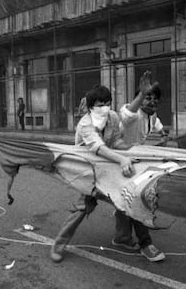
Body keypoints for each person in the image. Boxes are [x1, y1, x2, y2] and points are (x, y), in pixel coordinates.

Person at [50, 85, 138, 263]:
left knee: (123, 198)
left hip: (107, 168)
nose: (104, 107)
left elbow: (116, 140)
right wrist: (121, 159)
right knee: (83, 208)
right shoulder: (85, 124)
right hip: (87, 172)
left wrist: (132, 150)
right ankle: (58, 245)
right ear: (91, 107)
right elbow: (98, 148)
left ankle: (123, 237)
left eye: (107, 103)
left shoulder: (112, 117)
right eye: (100, 105)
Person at [117, 71, 166, 262]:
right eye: (147, 98)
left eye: (155, 99)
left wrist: (164, 137)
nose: (151, 102)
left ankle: (121, 237)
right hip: (119, 161)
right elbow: (127, 116)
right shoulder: (134, 112)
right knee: (138, 198)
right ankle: (146, 244)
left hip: (135, 163)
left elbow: (160, 127)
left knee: (125, 202)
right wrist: (140, 96)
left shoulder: (152, 117)